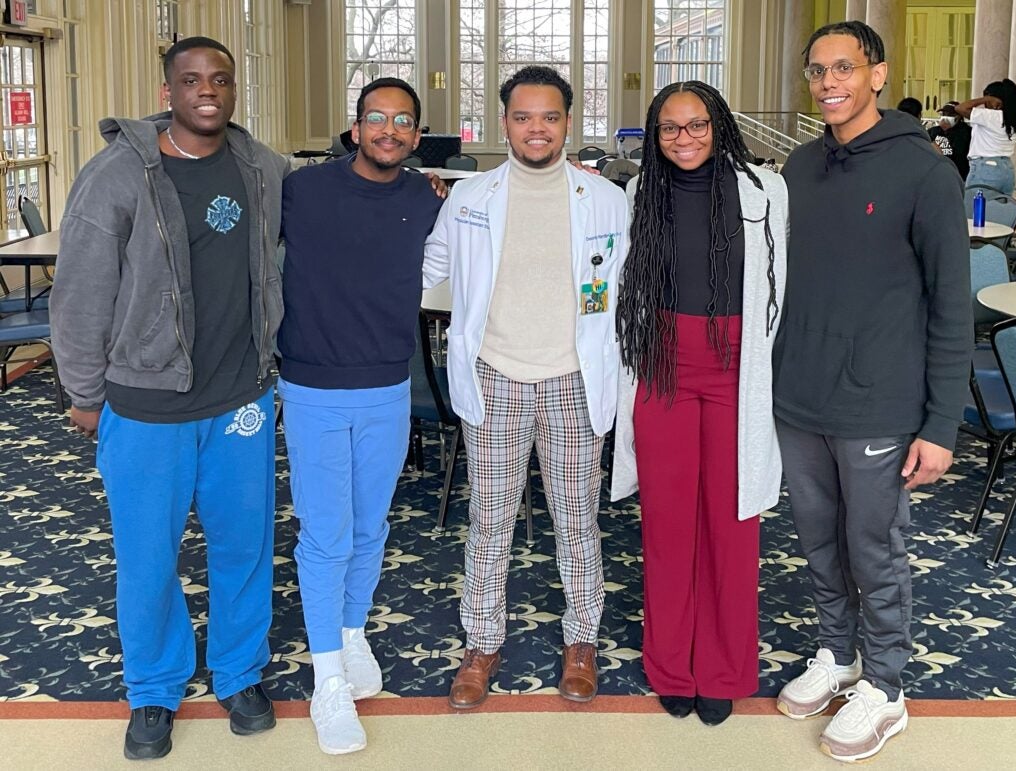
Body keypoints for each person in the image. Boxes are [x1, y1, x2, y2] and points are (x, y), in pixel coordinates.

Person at [50, 36, 288, 760]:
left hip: (241, 400)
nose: (206, 90)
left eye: (219, 78)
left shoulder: (261, 168)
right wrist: (85, 393)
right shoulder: (117, 175)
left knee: (245, 547)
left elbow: (331, 206)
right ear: (169, 89)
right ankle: (154, 688)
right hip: (145, 407)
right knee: (148, 558)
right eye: (191, 80)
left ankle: (240, 672)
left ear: (234, 87)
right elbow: (79, 295)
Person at [772, 21, 972, 763]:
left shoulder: (925, 173)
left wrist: (941, 424)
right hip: (800, 399)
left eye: (845, 68)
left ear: (878, 74)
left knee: (874, 548)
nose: (829, 82)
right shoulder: (798, 167)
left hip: (880, 404)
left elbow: (952, 307)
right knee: (818, 543)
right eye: (818, 70)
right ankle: (838, 653)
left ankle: (886, 685)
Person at [422, 65, 629, 709]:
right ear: (503, 122)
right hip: (496, 377)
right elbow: (430, 267)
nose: (535, 129)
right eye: (522, 116)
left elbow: (627, 291)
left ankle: (582, 641)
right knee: (490, 522)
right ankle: (481, 644)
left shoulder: (605, 200)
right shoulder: (469, 198)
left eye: (549, 117)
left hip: (573, 380)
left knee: (577, 522)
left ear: (568, 122)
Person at [610, 81, 788, 726]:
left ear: (720, 126)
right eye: (669, 128)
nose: (683, 138)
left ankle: (724, 670)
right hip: (661, 366)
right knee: (667, 526)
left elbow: (782, 286)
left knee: (733, 526)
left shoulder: (766, 192)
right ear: (654, 137)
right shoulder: (638, 196)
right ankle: (670, 667)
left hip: (738, 369)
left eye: (697, 125)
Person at [276, 77, 444, 755]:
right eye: (377, 117)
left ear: (416, 134)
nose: (389, 129)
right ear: (355, 127)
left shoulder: (426, 200)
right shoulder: (302, 190)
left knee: (370, 525)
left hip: (387, 385)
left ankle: (350, 632)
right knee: (326, 535)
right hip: (312, 385)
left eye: (403, 121)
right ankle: (326, 681)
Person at [957, 78, 1016, 194]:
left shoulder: (990, 116)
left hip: (985, 168)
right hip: (1007, 169)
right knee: (1001, 211)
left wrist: (987, 98)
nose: (984, 104)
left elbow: (960, 108)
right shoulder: (1014, 119)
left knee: (974, 208)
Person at [928, 101, 971, 180]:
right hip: (936, 174)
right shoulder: (934, 131)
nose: (945, 117)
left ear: (958, 117)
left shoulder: (966, 132)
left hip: (958, 176)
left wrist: (948, 131)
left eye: (949, 115)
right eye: (943, 114)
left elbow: (960, 152)